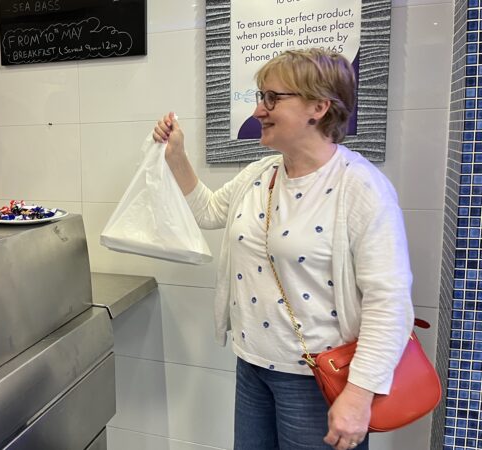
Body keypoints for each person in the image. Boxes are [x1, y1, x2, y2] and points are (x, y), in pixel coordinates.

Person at [153, 48, 413, 450]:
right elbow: (208, 212)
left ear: (318, 106)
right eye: (260, 97)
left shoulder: (360, 187)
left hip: (319, 379)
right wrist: (176, 157)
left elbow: (389, 301)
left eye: (272, 98)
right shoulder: (261, 173)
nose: (259, 110)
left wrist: (360, 395)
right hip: (253, 365)